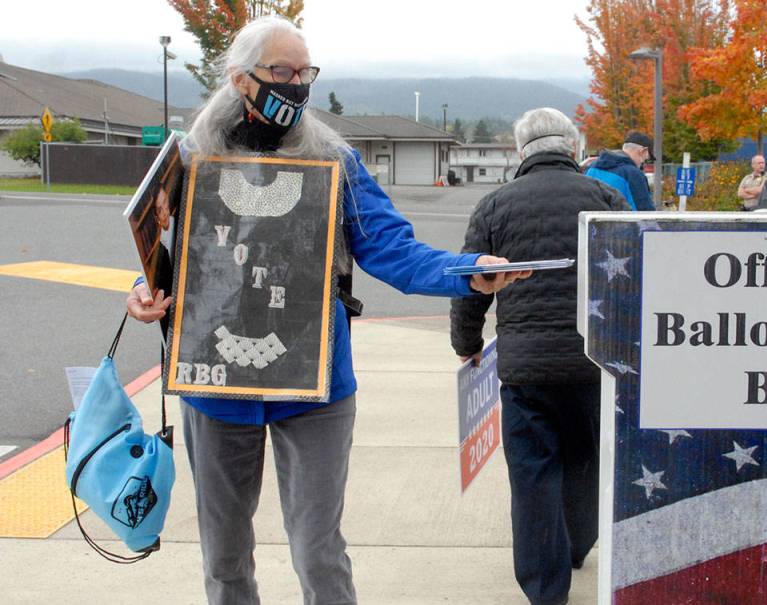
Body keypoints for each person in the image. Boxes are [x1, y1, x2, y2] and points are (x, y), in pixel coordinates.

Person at [125, 16, 527, 605]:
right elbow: (165, 251)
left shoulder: (333, 161)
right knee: (225, 555)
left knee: (317, 549)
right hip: (217, 386)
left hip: (314, 385)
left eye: (304, 72)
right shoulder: (189, 161)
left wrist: (468, 273)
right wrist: (144, 288)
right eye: (281, 72)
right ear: (241, 79)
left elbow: (393, 248)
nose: (296, 85)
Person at [450, 108, 629, 605]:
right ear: (573, 148)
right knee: (585, 458)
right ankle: (577, 543)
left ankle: (545, 588)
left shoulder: (494, 206)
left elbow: (471, 285)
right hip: (593, 362)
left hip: (525, 366)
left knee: (532, 470)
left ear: (519, 151)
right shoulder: (607, 198)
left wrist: (466, 345)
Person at [584, 130, 655, 211]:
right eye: (645, 160)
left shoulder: (592, 167)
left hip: (592, 222)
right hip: (621, 223)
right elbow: (645, 213)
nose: (643, 164)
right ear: (643, 151)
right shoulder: (633, 174)